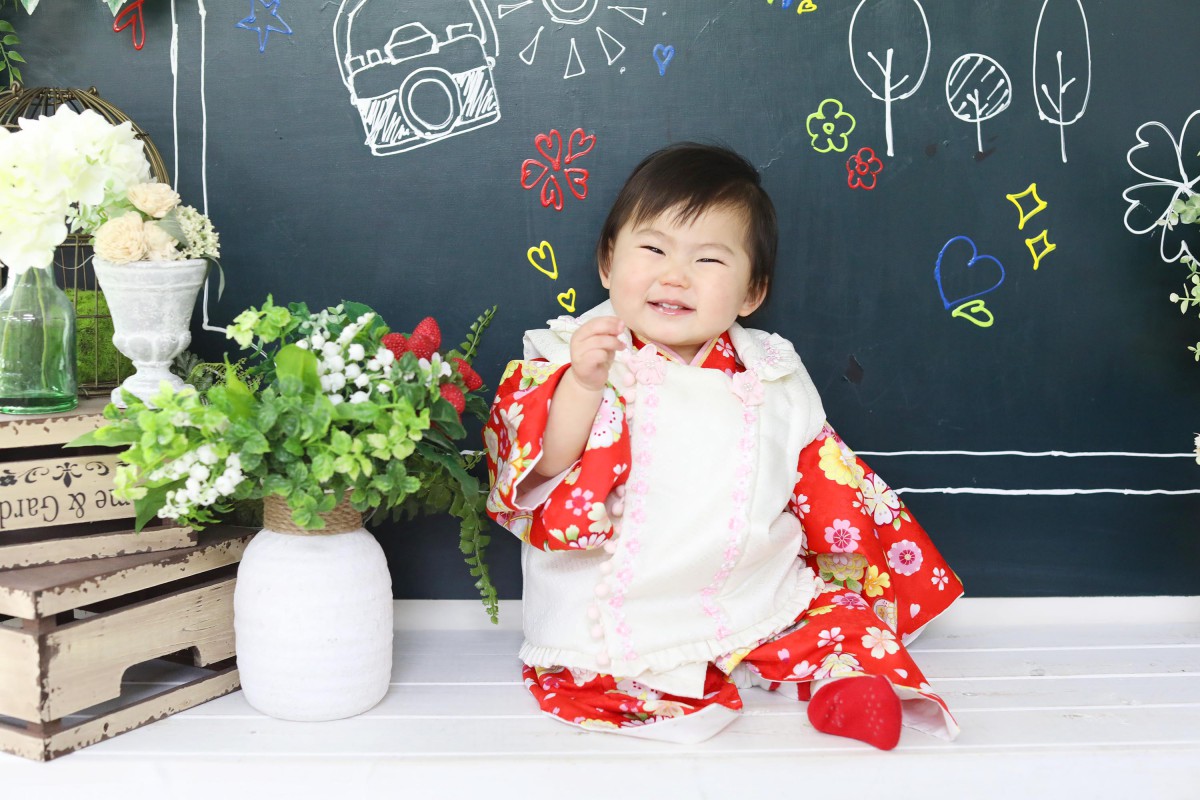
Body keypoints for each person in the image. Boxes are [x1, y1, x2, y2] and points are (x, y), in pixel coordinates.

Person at [483, 142, 964, 749]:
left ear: (751, 292)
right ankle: (661, 681)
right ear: (607, 261)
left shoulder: (769, 371)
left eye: (708, 259)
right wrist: (581, 385)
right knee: (604, 669)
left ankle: (847, 688)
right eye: (653, 249)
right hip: (625, 605)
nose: (674, 276)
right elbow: (543, 465)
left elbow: (823, 475)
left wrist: (855, 564)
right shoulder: (574, 353)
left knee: (840, 622)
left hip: (752, 590)